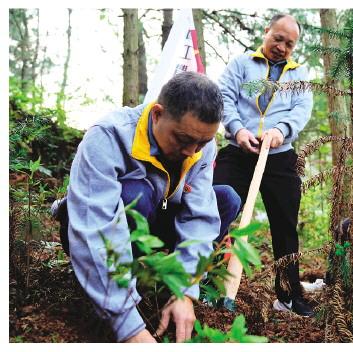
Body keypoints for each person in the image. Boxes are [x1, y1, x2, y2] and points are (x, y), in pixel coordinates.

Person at [52, 72, 241, 342]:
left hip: (156, 221)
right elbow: (95, 227)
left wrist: (185, 290)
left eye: (203, 142)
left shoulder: (199, 145)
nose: (192, 151)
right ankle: (120, 291)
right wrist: (129, 329)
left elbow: (199, 218)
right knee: (136, 193)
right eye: (182, 139)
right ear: (157, 115)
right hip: (94, 229)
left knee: (225, 199)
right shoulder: (108, 137)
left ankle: (163, 286)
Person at [214, 13, 314, 317]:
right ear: (266, 31)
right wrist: (238, 129)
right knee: (216, 211)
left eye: (289, 44)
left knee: (285, 227)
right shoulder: (241, 64)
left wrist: (280, 131)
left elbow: (301, 110)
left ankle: (288, 296)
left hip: (280, 158)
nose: (282, 47)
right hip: (237, 152)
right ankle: (203, 281)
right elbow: (224, 97)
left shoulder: (299, 76)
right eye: (278, 38)